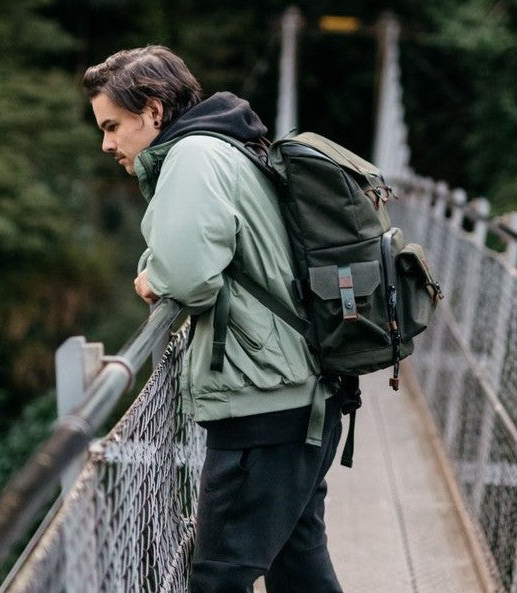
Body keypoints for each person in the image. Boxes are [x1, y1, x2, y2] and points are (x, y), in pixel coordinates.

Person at [82, 46, 346, 593]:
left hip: (265, 405)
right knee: (300, 571)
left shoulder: (194, 156)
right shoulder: (225, 146)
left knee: (216, 579)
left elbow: (186, 275)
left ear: (152, 111)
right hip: (299, 395)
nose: (106, 143)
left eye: (112, 126)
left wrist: (154, 278)